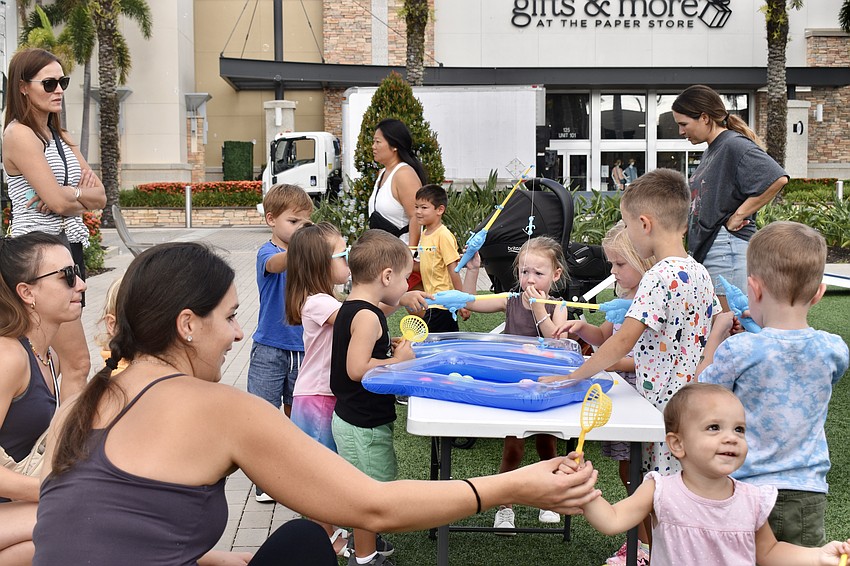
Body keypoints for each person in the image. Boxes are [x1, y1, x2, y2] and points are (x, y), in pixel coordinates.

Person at [29, 240, 605, 566]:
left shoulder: (82, 404)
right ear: (186, 324)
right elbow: (373, 508)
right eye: (230, 318)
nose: (236, 335)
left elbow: (111, 539)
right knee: (306, 543)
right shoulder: (219, 409)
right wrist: (514, 485)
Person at [543, 168, 719, 480]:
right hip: (691, 404)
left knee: (656, 487)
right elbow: (716, 324)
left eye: (627, 224)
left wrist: (572, 377)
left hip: (657, 410)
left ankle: (649, 533)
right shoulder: (699, 272)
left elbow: (623, 340)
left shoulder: (657, 277)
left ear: (644, 223)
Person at [566, 383, 850, 566]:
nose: (731, 438)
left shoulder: (753, 499)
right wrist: (584, 489)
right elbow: (612, 520)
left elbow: (769, 552)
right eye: (714, 427)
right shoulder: (660, 490)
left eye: (739, 429)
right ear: (677, 444)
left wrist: (818, 555)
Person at [698, 221, 849, 547]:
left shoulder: (738, 351)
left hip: (744, 489)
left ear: (754, 289)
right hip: (807, 492)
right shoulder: (833, 349)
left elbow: (703, 391)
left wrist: (716, 339)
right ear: (820, 292)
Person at [3, 48, 107, 396]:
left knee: (53, 357)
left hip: (66, 251)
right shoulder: (19, 135)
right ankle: (59, 445)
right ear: (22, 87)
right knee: (76, 362)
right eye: (48, 83)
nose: (58, 89)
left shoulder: (62, 138)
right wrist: (72, 197)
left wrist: (67, 196)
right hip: (36, 257)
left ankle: (45, 434)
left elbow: (100, 198)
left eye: (62, 81)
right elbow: (59, 200)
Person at [553, 221, 655, 564]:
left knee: (639, 476)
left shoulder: (649, 298)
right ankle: (643, 543)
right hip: (628, 401)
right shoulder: (624, 296)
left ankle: (645, 548)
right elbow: (607, 337)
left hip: (647, 402)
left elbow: (641, 359)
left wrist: (608, 365)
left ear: (643, 261)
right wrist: (585, 329)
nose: (613, 271)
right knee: (630, 473)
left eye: (620, 264)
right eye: (611, 264)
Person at [461, 236, 570, 531]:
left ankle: (550, 499)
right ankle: (505, 503)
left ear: (555, 275)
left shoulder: (558, 306)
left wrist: (539, 309)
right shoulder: (509, 300)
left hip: (546, 386)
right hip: (514, 387)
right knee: (513, 447)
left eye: (538, 273)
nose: (530, 279)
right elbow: (470, 302)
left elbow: (554, 340)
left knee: (547, 446)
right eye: (525, 272)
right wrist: (473, 271)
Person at [0, 231, 86, 564]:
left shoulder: (46, 355)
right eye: (67, 276)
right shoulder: (10, 357)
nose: (80, 284)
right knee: (79, 524)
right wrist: (51, 492)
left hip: (15, 510)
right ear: (27, 292)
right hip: (14, 509)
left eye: (77, 271)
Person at [672, 84, 789, 309]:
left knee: (732, 327)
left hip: (726, 250)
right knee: (722, 327)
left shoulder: (732, 144)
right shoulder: (713, 149)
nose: (681, 132)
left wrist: (739, 215)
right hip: (713, 249)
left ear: (704, 118)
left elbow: (777, 178)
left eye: (684, 124)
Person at [284, 221, 353, 556]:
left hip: (324, 396)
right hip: (316, 400)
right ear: (321, 264)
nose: (349, 260)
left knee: (329, 468)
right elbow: (358, 320)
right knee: (319, 474)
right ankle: (325, 538)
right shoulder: (318, 303)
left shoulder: (329, 299)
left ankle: (329, 529)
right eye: (344, 253)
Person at [246, 183, 312, 502]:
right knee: (263, 414)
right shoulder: (268, 253)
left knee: (296, 414)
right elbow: (276, 265)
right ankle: (265, 479)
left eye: (305, 223)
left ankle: (291, 473)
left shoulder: (307, 258)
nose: (300, 229)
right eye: (293, 222)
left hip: (303, 348)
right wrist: (304, 246)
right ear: (271, 219)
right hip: (269, 348)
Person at [367, 118, 428, 291]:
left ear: (394, 146)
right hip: (385, 256)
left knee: (421, 307)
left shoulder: (404, 174)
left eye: (378, 142)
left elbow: (416, 216)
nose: (373, 146)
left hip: (402, 259)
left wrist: (410, 255)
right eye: (373, 142)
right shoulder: (382, 173)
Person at [413, 184, 466, 333]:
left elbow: (453, 269)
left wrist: (461, 301)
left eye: (424, 208)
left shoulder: (443, 235)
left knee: (428, 341)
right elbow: (425, 264)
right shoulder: (424, 233)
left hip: (443, 303)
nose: (418, 212)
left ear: (440, 210)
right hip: (432, 302)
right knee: (446, 341)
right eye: (416, 207)